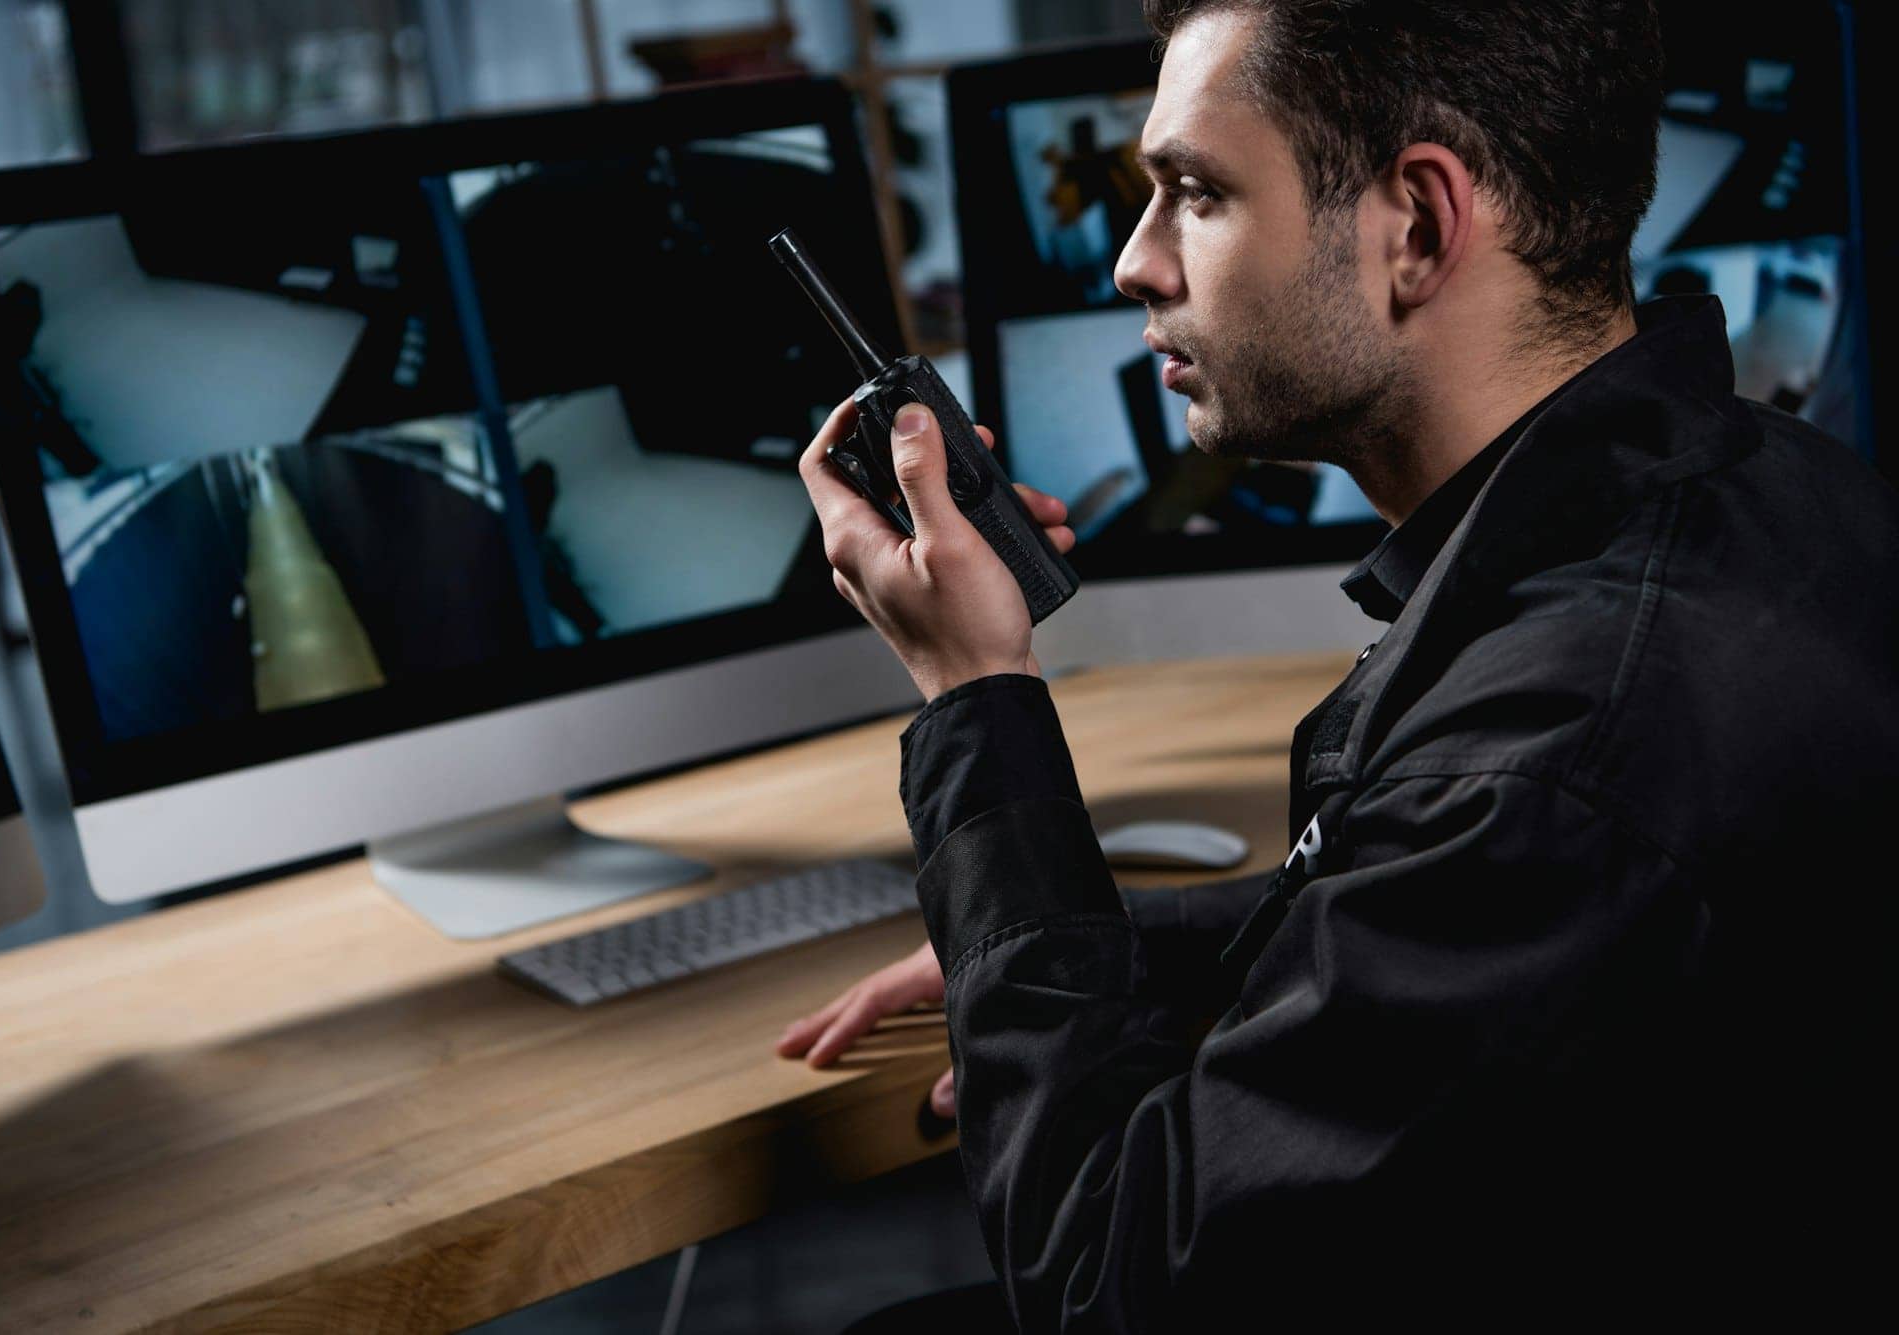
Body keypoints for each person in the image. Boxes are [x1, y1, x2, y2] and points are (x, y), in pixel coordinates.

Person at [785, 0, 1896, 1325]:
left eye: (1196, 193)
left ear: (1418, 227)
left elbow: (1102, 1287)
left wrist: (977, 695)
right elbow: (1465, 913)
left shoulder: (1551, 764)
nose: (1136, 264)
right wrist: (1092, 941)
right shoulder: (1789, 488)